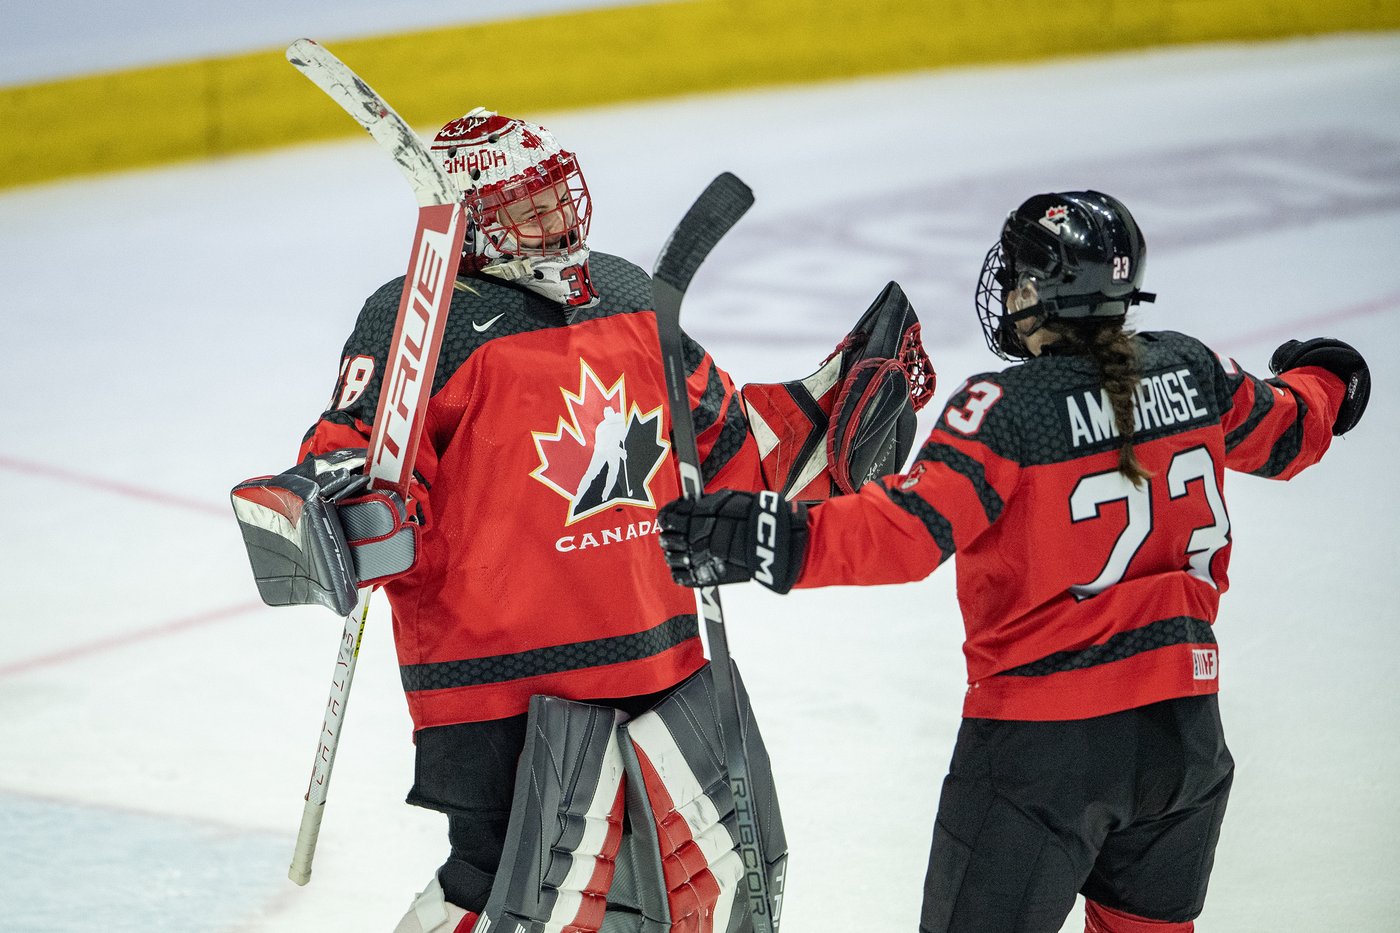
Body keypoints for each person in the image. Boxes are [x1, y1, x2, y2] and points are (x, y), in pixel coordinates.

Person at [230, 107, 931, 933]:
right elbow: (353, 454)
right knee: (506, 892)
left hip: (653, 655)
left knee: (687, 893)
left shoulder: (626, 292)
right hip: (497, 683)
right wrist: (337, 509)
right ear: (470, 222)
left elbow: (720, 449)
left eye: (557, 195)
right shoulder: (418, 318)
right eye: (527, 206)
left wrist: (827, 414)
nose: (556, 219)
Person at [657, 190, 1370, 933]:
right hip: (1182, 742)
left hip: (1040, 755)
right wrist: (1328, 378)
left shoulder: (1005, 410)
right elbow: (1295, 426)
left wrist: (767, 534)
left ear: (1036, 292)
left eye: (1017, 279)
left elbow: (906, 532)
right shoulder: (1192, 371)